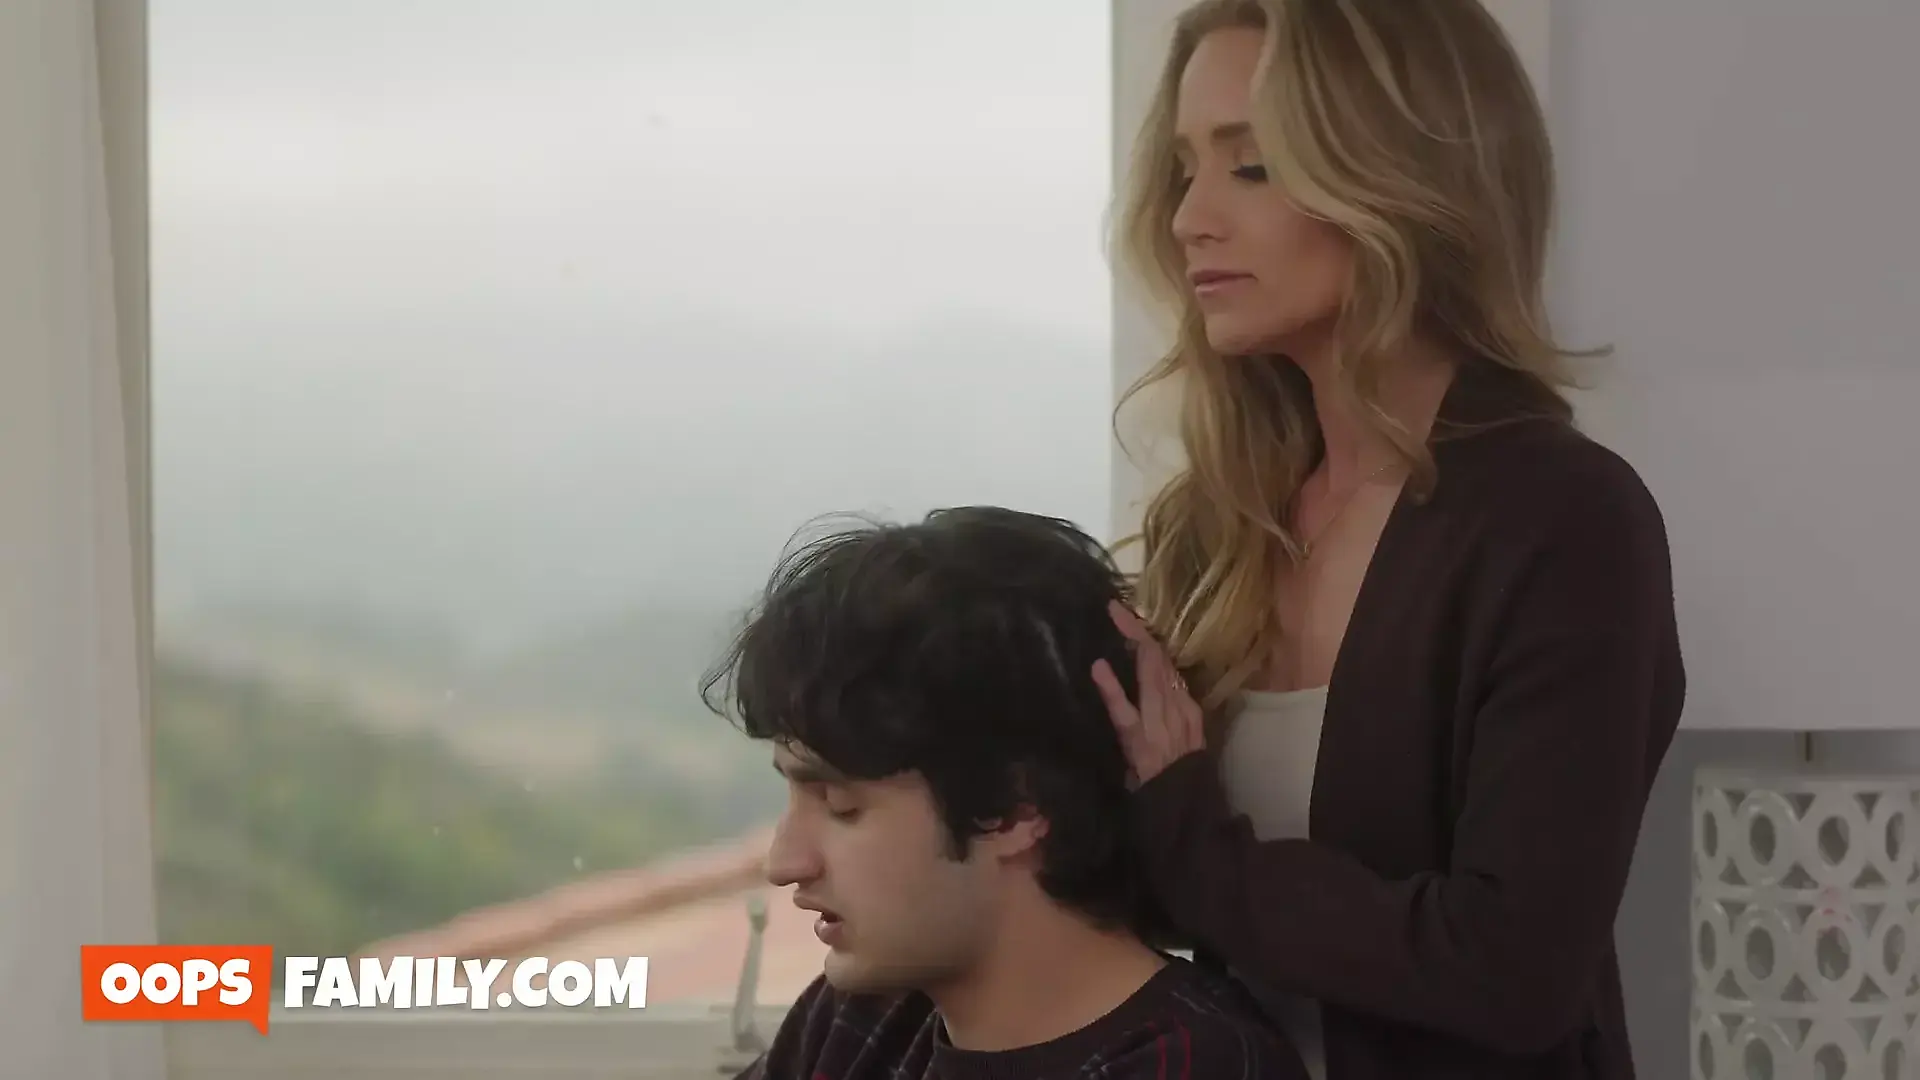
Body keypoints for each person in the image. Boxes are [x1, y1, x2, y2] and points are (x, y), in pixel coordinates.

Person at [1088, 2, 1685, 1079]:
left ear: (1400, 179)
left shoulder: (1565, 524)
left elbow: (1511, 972)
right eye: (1183, 170)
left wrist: (1191, 845)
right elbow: (1149, 897)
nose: (1187, 219)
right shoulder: (1212, 527)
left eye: (1252, 167)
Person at [701, 507, 1309, 1080]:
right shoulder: (861, 1019)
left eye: (842, 807)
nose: (785, 863)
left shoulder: (1191, 1064)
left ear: (1015, 809)